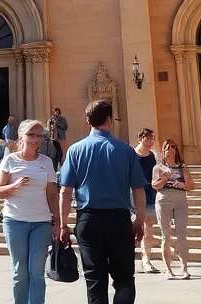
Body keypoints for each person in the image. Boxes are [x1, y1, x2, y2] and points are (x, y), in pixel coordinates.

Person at [58, 99, 147, 304]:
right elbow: (139, 189)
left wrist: (63, 224)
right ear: (109, 119)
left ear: (87, 120)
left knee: (95, 280)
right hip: (119, 219)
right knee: (124, 279)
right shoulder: (126, 150)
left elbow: (65, 191)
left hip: (88, 220)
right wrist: (139, 220)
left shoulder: (75, 150)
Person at [0, 118, 59, 304]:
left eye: (39, 135)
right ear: (21, 137)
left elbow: (52, 194)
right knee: (19, 271)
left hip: (41, 222)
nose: (35, 138)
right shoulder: (9, 160)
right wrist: (14, 185)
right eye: (31, 134)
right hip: (15, 221)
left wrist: (57, 223)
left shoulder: (46, 162)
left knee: (37, 272)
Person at [151, 138, 193, 280]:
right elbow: (154, 186)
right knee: (166, 235)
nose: (170, 149)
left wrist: (183, 184)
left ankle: (185, 268)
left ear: (176, 150)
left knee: (181, 234)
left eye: (173, 147)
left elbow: (191, 186)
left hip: (180, 200)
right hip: (164, 200)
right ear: (163, 151)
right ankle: (168, 269)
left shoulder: (183, 167)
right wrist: (164, 178)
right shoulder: (158, 167)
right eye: (167, 147)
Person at [131, 128, 160, 274]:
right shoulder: (132, 154)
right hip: (135, 198)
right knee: (135, 229)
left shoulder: (153, 156)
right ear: (141, 138)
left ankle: (146, 260)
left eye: (153, 138)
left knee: (148, 229)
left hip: (151, 196)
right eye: (149, 138)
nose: (152, 141)